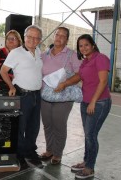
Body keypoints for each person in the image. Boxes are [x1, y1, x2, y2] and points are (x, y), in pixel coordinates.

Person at [0, 25, 43, 169]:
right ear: (24, 37)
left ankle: (30, 152)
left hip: (37, 95)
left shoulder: (38, 51)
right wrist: (11, 87)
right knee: (20, 127)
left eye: (36, 37)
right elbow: (3, 71)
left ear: (40, 40)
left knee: (33, 127)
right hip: (23, 95)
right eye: (30, 36)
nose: (33, 40)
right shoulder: (16, 52)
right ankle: (19, 155)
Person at [71, 34, 111, 179]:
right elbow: (79, 77)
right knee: (88, 135)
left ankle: (90, 168)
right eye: (80, 46)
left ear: (93, 45)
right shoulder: (85, 61)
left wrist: (93, 101)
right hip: (86, 102)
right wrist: (63, 84)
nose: (83, 48)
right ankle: (86, 161)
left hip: (99, 103)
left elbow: (103, 81)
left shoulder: (100, 58)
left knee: (91, 135)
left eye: (86, 44)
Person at [39, 27, 82, 165]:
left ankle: (57, 154)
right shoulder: (44, 55)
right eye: (57, 34)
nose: (59, 37)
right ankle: (49, 150)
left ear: (67, 40)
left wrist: (65, 84)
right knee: (47, 124)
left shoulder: (72, 55)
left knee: (59, 124)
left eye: (63, 36)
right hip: (45, 95)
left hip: (63, 96)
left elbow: (79, 74)